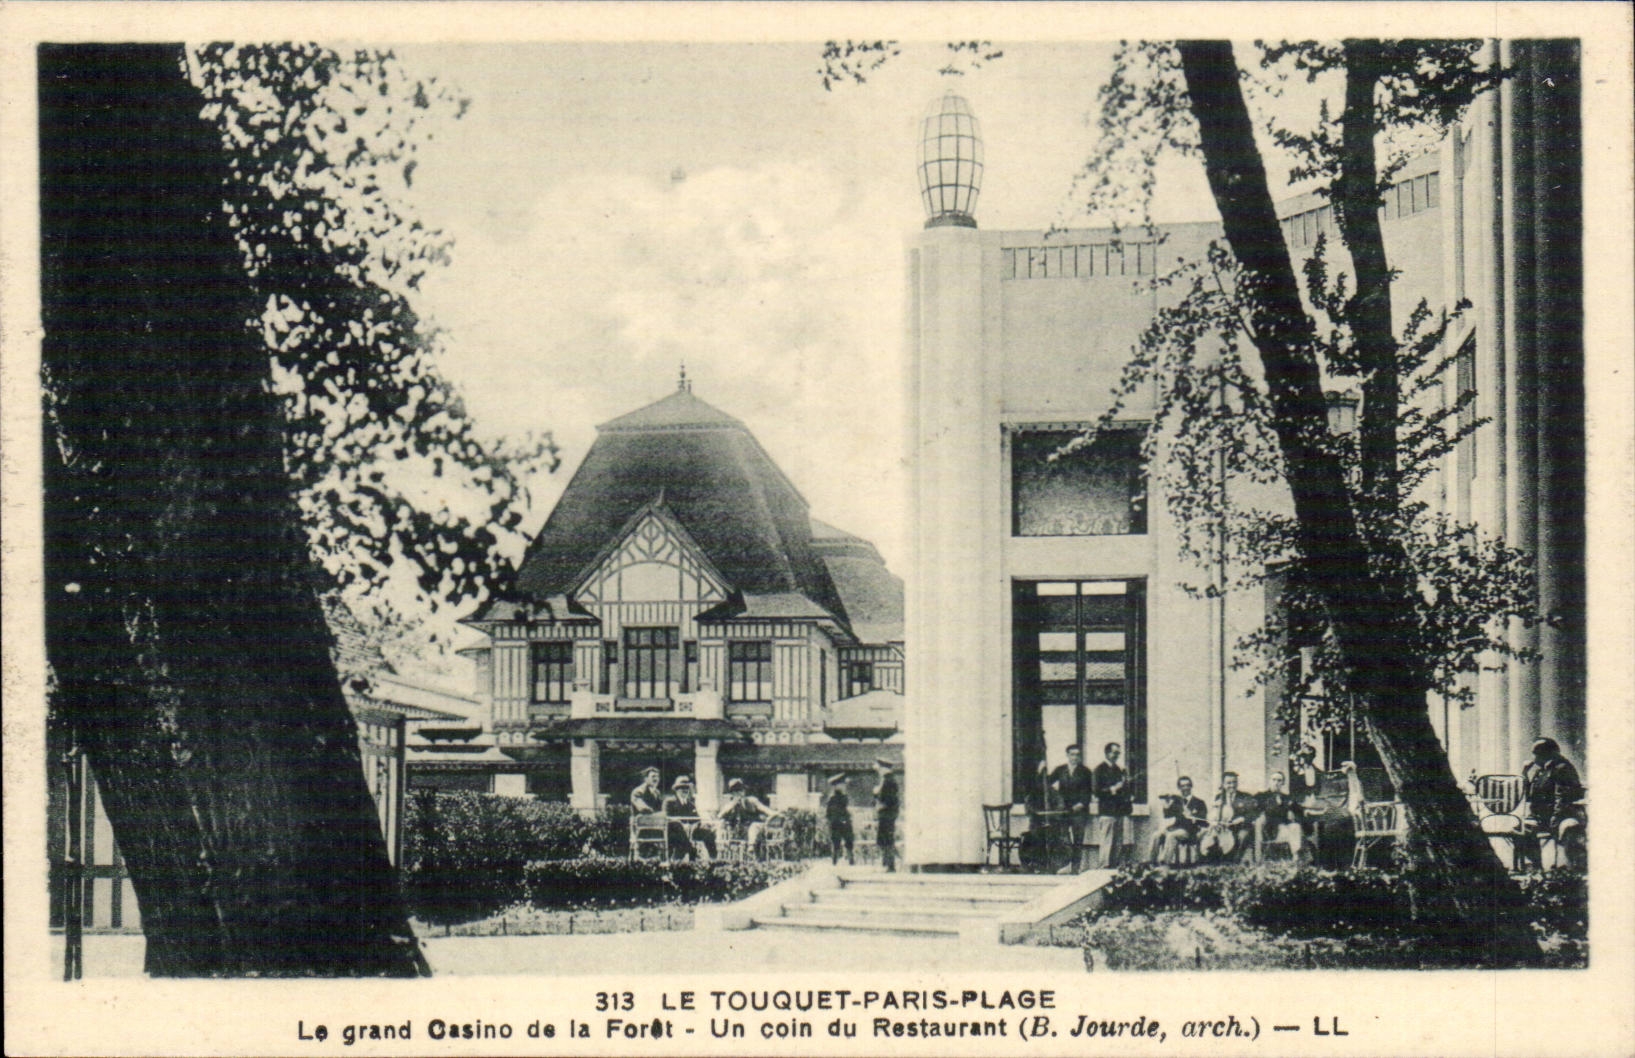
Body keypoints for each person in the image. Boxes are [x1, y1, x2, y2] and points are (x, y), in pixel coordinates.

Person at [1522, 737, 1585, 870]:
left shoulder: (1561, 768)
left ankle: (1543, 869)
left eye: (1536, 753)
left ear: (1547, 753)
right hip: (1544, 815)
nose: (1534, 757)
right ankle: (1538, 868)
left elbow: (1561, 798)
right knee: (1522, 829)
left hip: (1561, 815)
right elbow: (1530, 796)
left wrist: (1554, 820)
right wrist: (1525, 774)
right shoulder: (1543, 770)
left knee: (1527, 830)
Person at [1048, 744, 1095, 873]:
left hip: (1079, 811)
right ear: (1067, 755)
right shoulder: (1060, 770)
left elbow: (1089, 790)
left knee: (1078, 840)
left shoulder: (1085, 771)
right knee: (1064, 838)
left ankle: (1075, 868)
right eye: (1072, 754)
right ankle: (1064, 864)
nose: (1075, 757)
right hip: (1064, 810)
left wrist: (1082, 803)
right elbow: (1047, 783)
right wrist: (1056, 798)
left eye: (1077, 755)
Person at [1148, 776, 1207, 865]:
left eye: (1188, 785)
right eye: (1182, 786)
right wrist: (1167, 804)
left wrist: (1192, 815)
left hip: (1189, 831)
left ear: (1191, 786)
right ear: (1179, 788)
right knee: (1156, 835)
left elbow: (1203, 820)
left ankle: (1165, 863)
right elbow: (1167, 815)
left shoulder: (1199, 802)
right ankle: (1151, 863)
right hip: (1175, 828)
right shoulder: (1177, 801)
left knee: (1171, 836)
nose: (1185, 788)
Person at [1092, 742, 1133, 868]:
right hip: (1106, 811)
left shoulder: (1118, 770)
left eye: (1118, 753)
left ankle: (1114, 867)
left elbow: (1124, 790)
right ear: (1107, 753)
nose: (1116, 755)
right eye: (1114, 752)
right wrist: (1113, 789)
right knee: (1107, 840)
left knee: (1118, 842)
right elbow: (1096, 791)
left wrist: (1127, 791)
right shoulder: (1099, 770)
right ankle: (1104, 866)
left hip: (1119, 811)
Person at [1201, 771, 1255, 863]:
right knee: (1206, 836)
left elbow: (1252, 813)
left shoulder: (1245, 796)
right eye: (1229, 783)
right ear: (1223, 784)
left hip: (1239, 827)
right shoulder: (1219, 797)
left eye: (1234, 782)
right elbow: (1214, 814)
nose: (1232, 785)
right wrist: (1213, 822)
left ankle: (1236, 861)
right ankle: (1212, 860)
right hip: (1223, 828)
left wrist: (1242, 819)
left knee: (1242, 836)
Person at [662, 774, 716, 861]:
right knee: (680, 837)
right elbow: (666, 818)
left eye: (687, 788)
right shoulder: (669, 802)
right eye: (682, 788)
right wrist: (682, 825)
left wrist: (703, 825)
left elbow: (697, 819)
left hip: (690, 831)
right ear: (676, 789)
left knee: (708, 833)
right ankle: (689, 853)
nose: (685, 790)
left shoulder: (690, 804)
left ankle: (713, 859)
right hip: (674, 833)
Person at [1255, 771, 1305, 862]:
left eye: (1279, 780)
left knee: (1296, 826)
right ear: (1269, 781)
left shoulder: (1287, 797)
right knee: (1290, 830)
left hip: (1286, 828)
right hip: (1270, 830)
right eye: (1274, 780)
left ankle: (1295, 856)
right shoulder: (1262, 796)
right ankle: (1297, 856)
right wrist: (1287, 811)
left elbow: (1299, 811)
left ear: (1283, 783)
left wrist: (1294, 814)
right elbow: (1266, 812)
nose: (1276, 783)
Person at [718, 777, 772, 856]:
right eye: (735, 791)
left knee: (755, 826)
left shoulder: (751, 801)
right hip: (738, 830)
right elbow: (720, 816)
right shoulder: (730, 805)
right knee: (721, 824)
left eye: (741, 790)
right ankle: (720, 847)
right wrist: (732, 806)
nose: (739, 793)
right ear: (732, 793)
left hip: (755, 830)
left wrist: (774, 814)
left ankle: (751, 847)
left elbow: (765, 809)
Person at [873, 757, 901, 872]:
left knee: (887, 838)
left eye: (878, 767)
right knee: (884, 838)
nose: (877, 770)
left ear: (883, 768)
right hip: (886, 813)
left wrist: (877, 795)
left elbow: (889, 800)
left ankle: (890, 865)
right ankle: (887, 863)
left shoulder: (889, 781)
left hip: (887, 813)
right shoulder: (886, 780)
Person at [824, 773, 855, 866]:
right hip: (840, 823)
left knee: (839, 843)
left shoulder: (835, 798)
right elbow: (833, 812)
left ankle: (840, 860)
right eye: (843, 784)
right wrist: (844, 819)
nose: (844, 786)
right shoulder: (838, 798)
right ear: (837, 786)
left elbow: (829, 814)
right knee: (842, 842)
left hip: (837, 823)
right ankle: (845, 860)